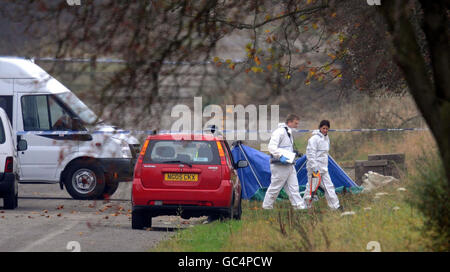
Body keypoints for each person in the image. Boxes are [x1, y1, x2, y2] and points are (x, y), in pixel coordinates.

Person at [262, 114, 307, 210]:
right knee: (275, 187)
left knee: (294, 188)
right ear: (289, 122)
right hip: (280, 166)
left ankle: (299, 207)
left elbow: (285, 147)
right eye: (295, 123)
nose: (297, 125)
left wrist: (293, 153)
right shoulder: (279, 132)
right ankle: (266, 207)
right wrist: (280, 156)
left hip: (289, 165)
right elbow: (271, 147)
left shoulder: (288, 133)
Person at [304, 120, 341, 210]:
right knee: (312, 189)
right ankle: (305, 207)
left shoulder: (326, 138)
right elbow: (310, 154)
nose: (325, 130)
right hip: (315, 169)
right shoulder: (314, 139)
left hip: (324, 169)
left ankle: (335, 207)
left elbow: (324, 155)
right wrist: (314, 167)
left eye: (327, 129)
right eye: (323, 128)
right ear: (320, 128)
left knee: (329, 187)